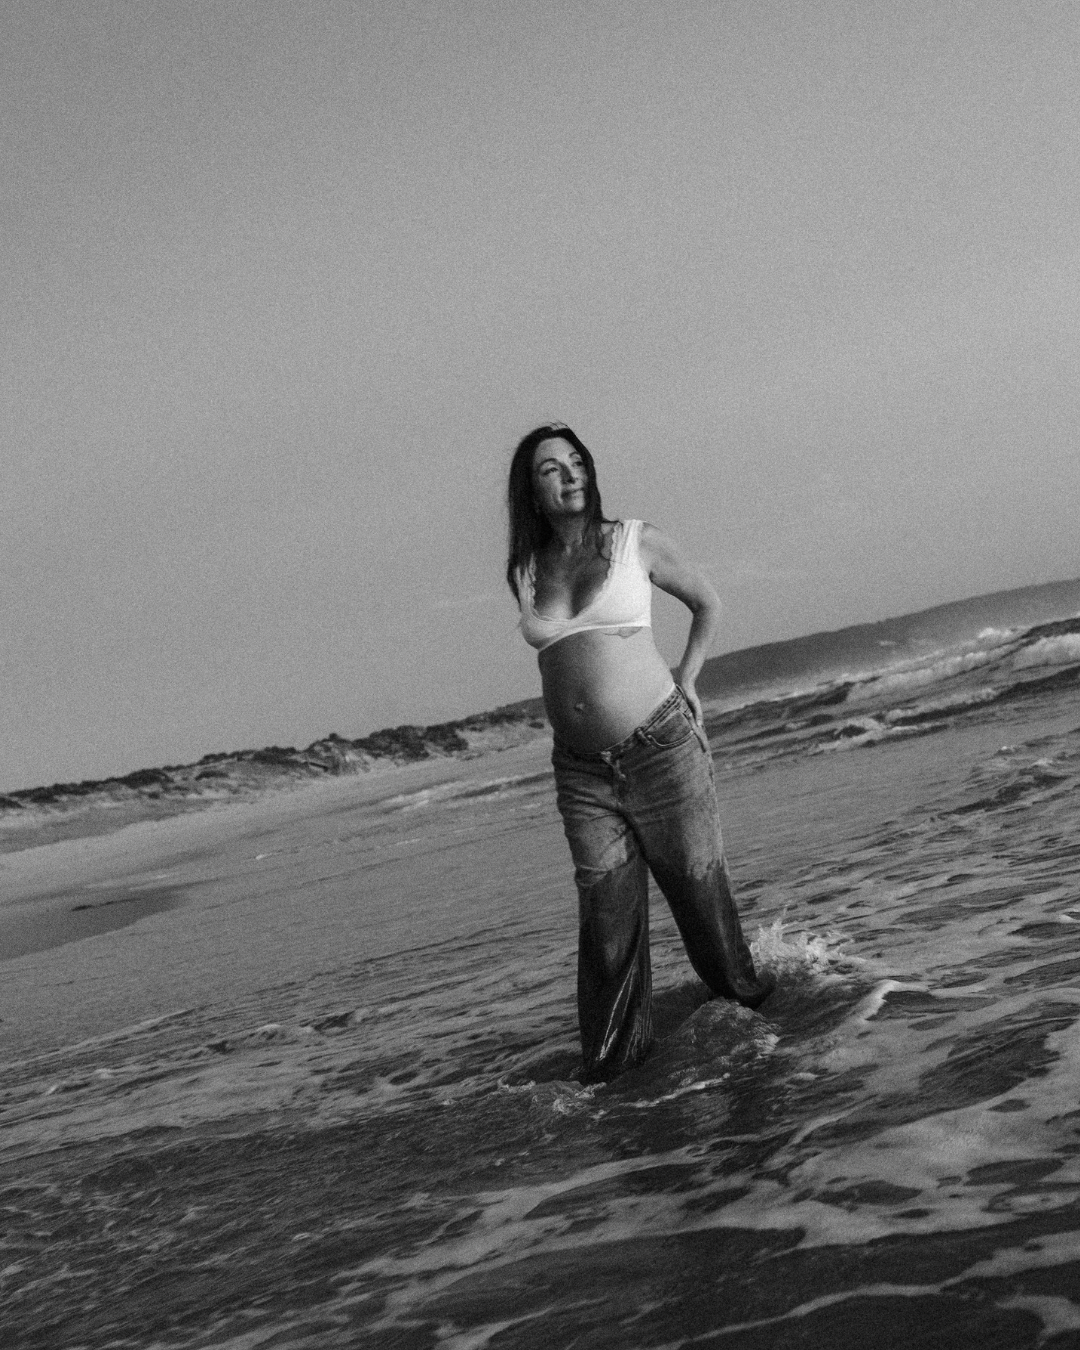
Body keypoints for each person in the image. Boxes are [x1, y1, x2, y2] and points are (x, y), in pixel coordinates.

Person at [507, 423, 775, 1083]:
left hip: (660, 750)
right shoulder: (527, 569)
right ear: (531, 490)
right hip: (580, 774)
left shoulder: (635, 541)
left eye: (576, 461)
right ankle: (614, 1081)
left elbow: (707, 604)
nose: (569, 474)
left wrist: (689, 679)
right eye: (550, 469)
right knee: (606, 928)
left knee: (703, 912)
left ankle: (770, 1041)